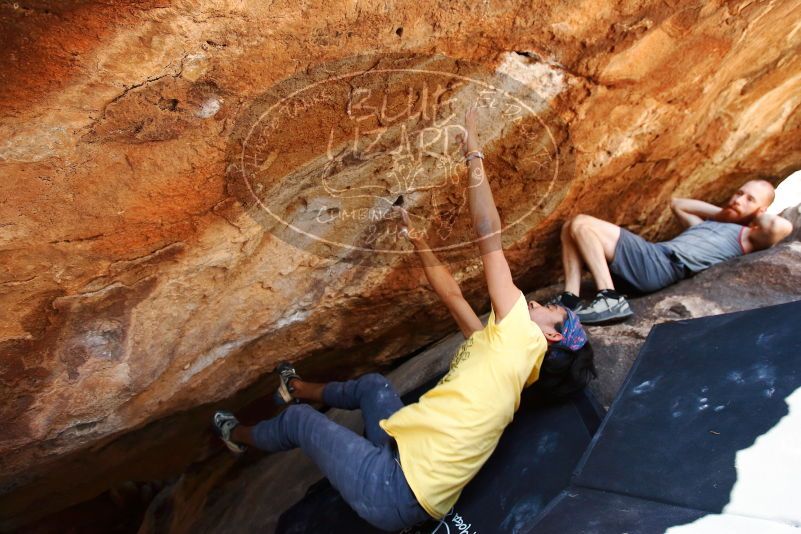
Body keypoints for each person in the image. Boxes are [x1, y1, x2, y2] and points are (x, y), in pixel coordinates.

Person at [211, 107, 595, 531]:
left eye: (551, 308)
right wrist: (415, 236)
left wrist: (473, 154)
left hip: (394, 488)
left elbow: (488, 234)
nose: (540, 304)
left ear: (553, 336)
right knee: (374, 387)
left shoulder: (520, 335)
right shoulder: (512, 364)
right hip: (402, 455)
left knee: (300, 424)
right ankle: (295, 387)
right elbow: (450, 295)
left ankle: (237, 437)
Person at [553, 180, 793, 325]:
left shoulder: (748, 237)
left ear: (761, 210)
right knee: (570, 228)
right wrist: (722, 213)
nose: (739, 199)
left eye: (750, 199)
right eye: (739, 193)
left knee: (582, 223)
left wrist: (753, 215)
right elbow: (678, 204)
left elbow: (781, 227)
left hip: (663, 265)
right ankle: (569, 299)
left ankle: (610, 298)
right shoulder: (707, 226)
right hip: (652, 260)